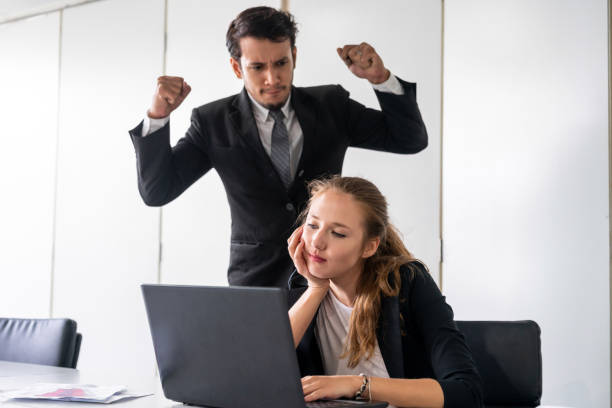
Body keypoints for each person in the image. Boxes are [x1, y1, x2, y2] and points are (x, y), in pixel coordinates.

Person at [129, 6, 428, 287]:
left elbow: (409, 139)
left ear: (294, 56)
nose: (272, 78)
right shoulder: (212, 122)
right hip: (256, 281)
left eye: (281, 63)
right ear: (236, 67)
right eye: (257, 67)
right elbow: (157, 191)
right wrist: (157, 117)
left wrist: (380, 79)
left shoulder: (331, 105)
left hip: (329, 279)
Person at [287, 176, 483, 407]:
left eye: (338, 233)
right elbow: (259, 371)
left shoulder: (408, 283)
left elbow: (466, 393)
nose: (316, 242)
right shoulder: (303, 286)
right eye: (312, 225)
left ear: (369, 247)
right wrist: (316, 288)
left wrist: (355, 385)